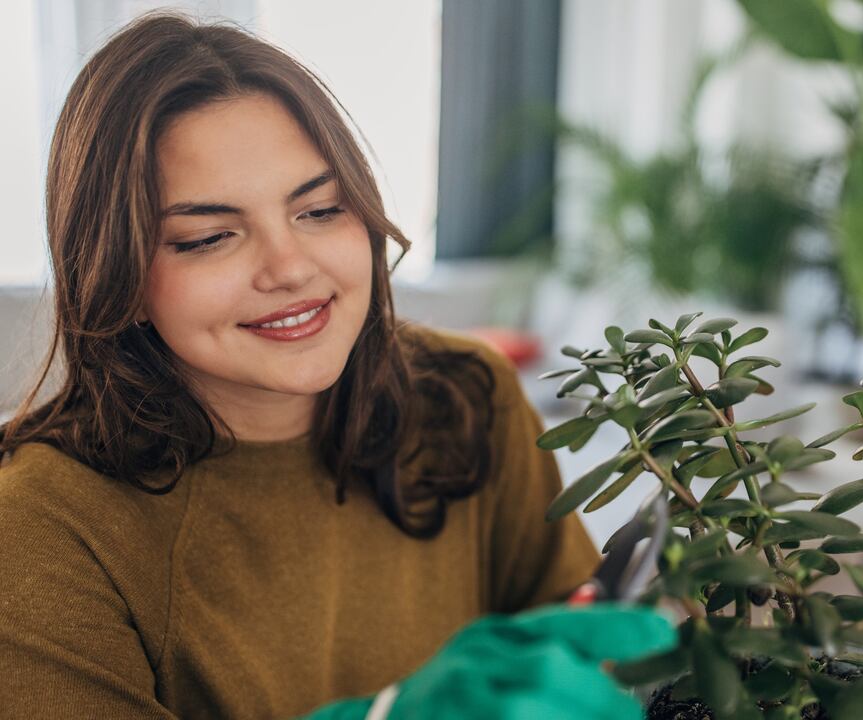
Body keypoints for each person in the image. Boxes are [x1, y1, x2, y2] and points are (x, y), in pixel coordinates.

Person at [0, 12, 674, 719]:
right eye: (208, 238)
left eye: (320, 210)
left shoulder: (465, 398)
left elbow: (583, 654)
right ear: (120, 278)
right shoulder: (40, 530)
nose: (291, 268)